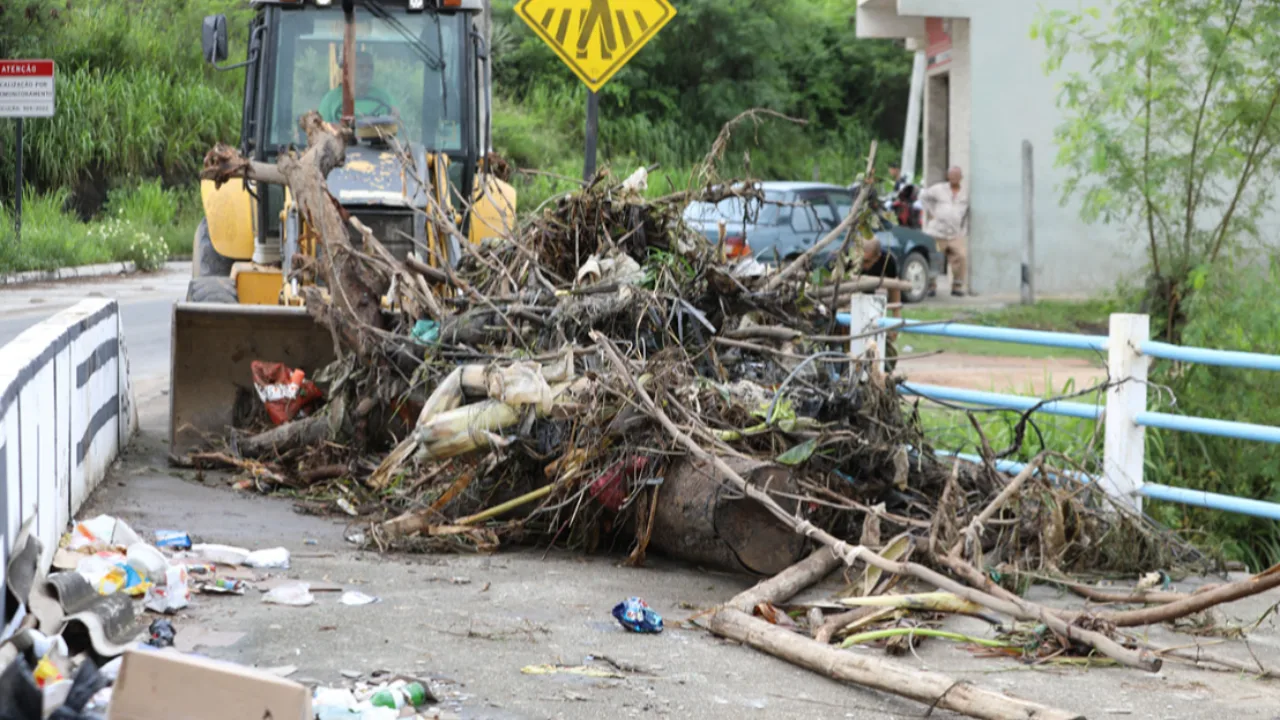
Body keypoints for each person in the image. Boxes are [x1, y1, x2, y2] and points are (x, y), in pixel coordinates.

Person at [920, 166, 969, 297]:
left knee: (961, 257)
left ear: (961, 177)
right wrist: (931, 212)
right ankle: (931, 286)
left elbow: (967, 213)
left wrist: (963, 229)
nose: (954, 178)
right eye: (951, 175)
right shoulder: (939, 189)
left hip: (955, 233)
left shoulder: (965, 193)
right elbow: (923, 196)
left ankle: (957, 286)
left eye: (957, 176)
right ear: (948, 176)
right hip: (937, 232)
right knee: (934, 258)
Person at [318, 50, 398, 123]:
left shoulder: (384, 97)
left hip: (378, 138)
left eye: (370, 67)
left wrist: (396, 117)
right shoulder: (331, 99)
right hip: (342, 138)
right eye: (360, 67)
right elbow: (320, 131)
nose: (366, 71)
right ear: (348, 71)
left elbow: (398, 127)